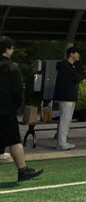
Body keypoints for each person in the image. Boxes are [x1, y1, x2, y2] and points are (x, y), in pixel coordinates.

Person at [0, 37, 43, 182]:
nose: (12, 50)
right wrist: (17, 105)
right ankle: (22, 170)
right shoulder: (11, 66)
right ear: (7, 49)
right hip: (6, 109)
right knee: (14, 140)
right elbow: (18, 91)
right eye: (11, 48)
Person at [53, 47, 85, 151]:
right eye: (77, 53)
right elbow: (76, 78)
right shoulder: (64, 66)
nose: (78, 55)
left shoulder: (72, 66)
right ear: (71, 54)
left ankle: (63, 141)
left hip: (70, 96)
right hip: (65, 96)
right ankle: (61, 143)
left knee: (67, 119)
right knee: (65, 119)